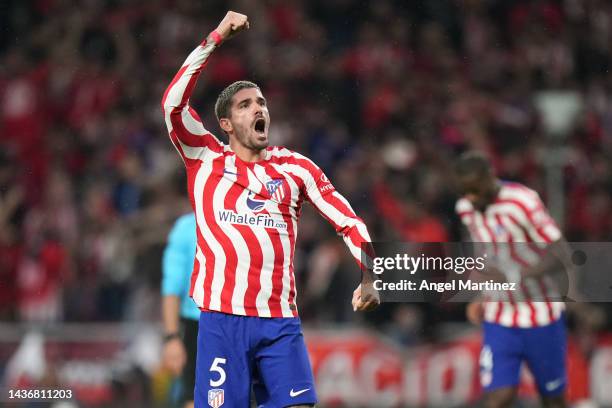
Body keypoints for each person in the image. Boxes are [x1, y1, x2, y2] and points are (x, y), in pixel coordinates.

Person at [161, 11, 379, 408]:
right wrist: (216, 37)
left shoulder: (295, 168)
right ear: (225, 123)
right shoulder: (205, 158)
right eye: (245, 105)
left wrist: (369, 273)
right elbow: (173, 105)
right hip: (221, 320)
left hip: (278, 320)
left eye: (261, 102)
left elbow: (347, 220)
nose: (258, 109)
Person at [455, 151, 569, 408]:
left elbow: (560, 254)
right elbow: (486, 253)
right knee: (498, 397)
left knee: (552, 399)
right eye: (465, 191)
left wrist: (514, 276)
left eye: (475, 190)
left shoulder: (522, 201)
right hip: (500, 316)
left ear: (490, 178)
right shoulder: (465, 208)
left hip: (541, 313)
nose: (471, 198)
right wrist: (481, 293)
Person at [161, 212, 199, 408]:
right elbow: (171, 288)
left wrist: (171, 338)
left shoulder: (186, 227)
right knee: (194, 397)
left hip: (233, 321)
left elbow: (171, 287)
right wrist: (172, 337)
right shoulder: (186, 228)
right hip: (198, 325)